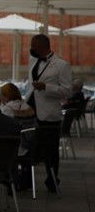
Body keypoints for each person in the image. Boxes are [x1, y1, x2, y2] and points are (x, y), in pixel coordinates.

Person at [27, 33, 72, 192]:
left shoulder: (61, 65)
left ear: (42, 46)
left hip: (49, 113)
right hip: (32, 110)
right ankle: (26, 179)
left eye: (33, 45)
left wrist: (47, 87)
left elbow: (68, 90)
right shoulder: (33, 63)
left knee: (51, 150)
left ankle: (52, 179)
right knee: (29, 147)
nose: (31, 48)